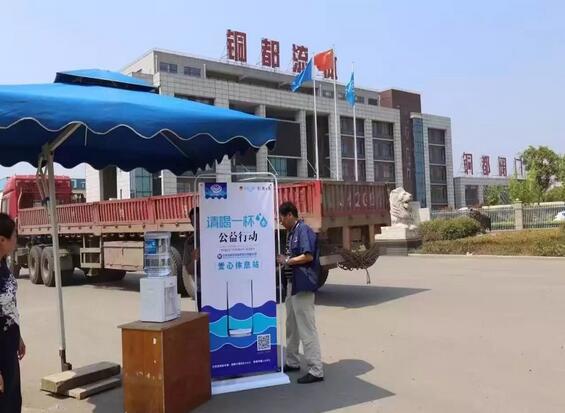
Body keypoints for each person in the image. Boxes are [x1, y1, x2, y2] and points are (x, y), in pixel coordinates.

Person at [276, 202, 324, 384]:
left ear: (290, 215)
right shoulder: (292, 233)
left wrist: (287, 260)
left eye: (282, 218)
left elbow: (308, 256)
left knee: (306, 328)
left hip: (302, 286)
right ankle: (292, 361)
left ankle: (316, 369)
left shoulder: (303, 230)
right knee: (292, 326)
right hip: (291, 285)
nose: (280, 222)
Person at [0, 213, 25, 412]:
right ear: (2, 240)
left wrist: (18, 336)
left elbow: (9, 307)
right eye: (14, 235)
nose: (17, 239)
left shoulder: (4, 264)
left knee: (13, 400)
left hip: (9, 345)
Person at [183, 207, 201, 311]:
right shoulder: (190, 243)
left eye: (199, 219)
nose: (197, 223)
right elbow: (189, 271)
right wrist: (195, 259)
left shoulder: (216, 237)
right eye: (194, 221)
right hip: (201, 289)